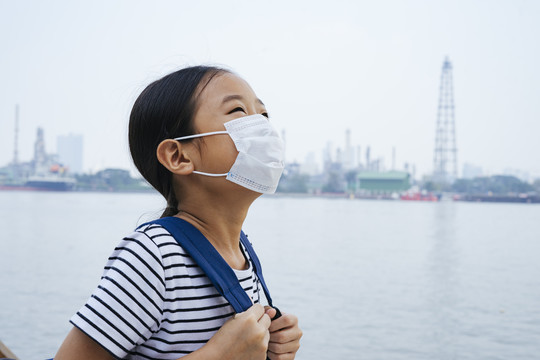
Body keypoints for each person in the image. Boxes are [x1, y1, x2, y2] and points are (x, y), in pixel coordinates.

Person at [55, 66, 302, 360]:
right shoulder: (154, 257)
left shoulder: (242, 253)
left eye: (263, 115)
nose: (262, 127)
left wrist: (270, 349)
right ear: (178, 156)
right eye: (238, 111)